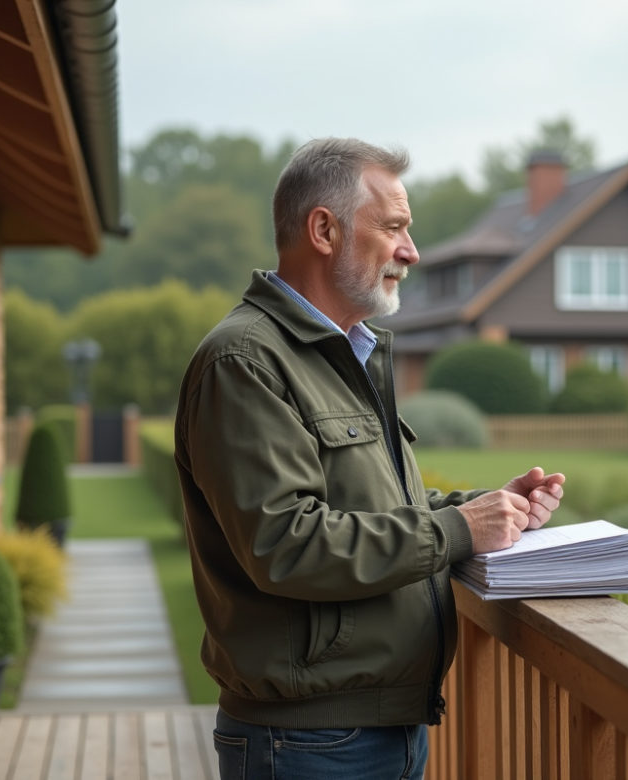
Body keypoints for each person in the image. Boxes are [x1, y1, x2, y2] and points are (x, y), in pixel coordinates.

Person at [173, 137, 566, 780]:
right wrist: (460, 530)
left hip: (377, 730)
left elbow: (378, 510)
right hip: (307, 744)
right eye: (393, 228)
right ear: (324, 230)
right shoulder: (245, 362)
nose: (411, 251)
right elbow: (286, 542)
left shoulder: (344, 355)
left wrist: (492, 510)